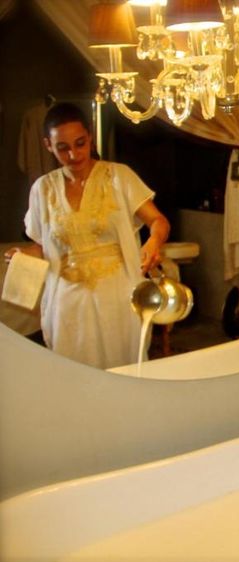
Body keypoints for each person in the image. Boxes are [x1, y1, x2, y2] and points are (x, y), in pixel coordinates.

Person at [3, 102, 170, 369]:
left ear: (90, 136)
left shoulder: (119, 176)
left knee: (120, 368)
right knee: (74, 372)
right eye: (63, 148)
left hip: (117, 294)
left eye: (80, 143)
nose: (73, 154)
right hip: (67, 300)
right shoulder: (42, 189)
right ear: (48, 145)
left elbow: (158, 221)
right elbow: (44, 246)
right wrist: (24, 255)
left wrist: (154, 241)